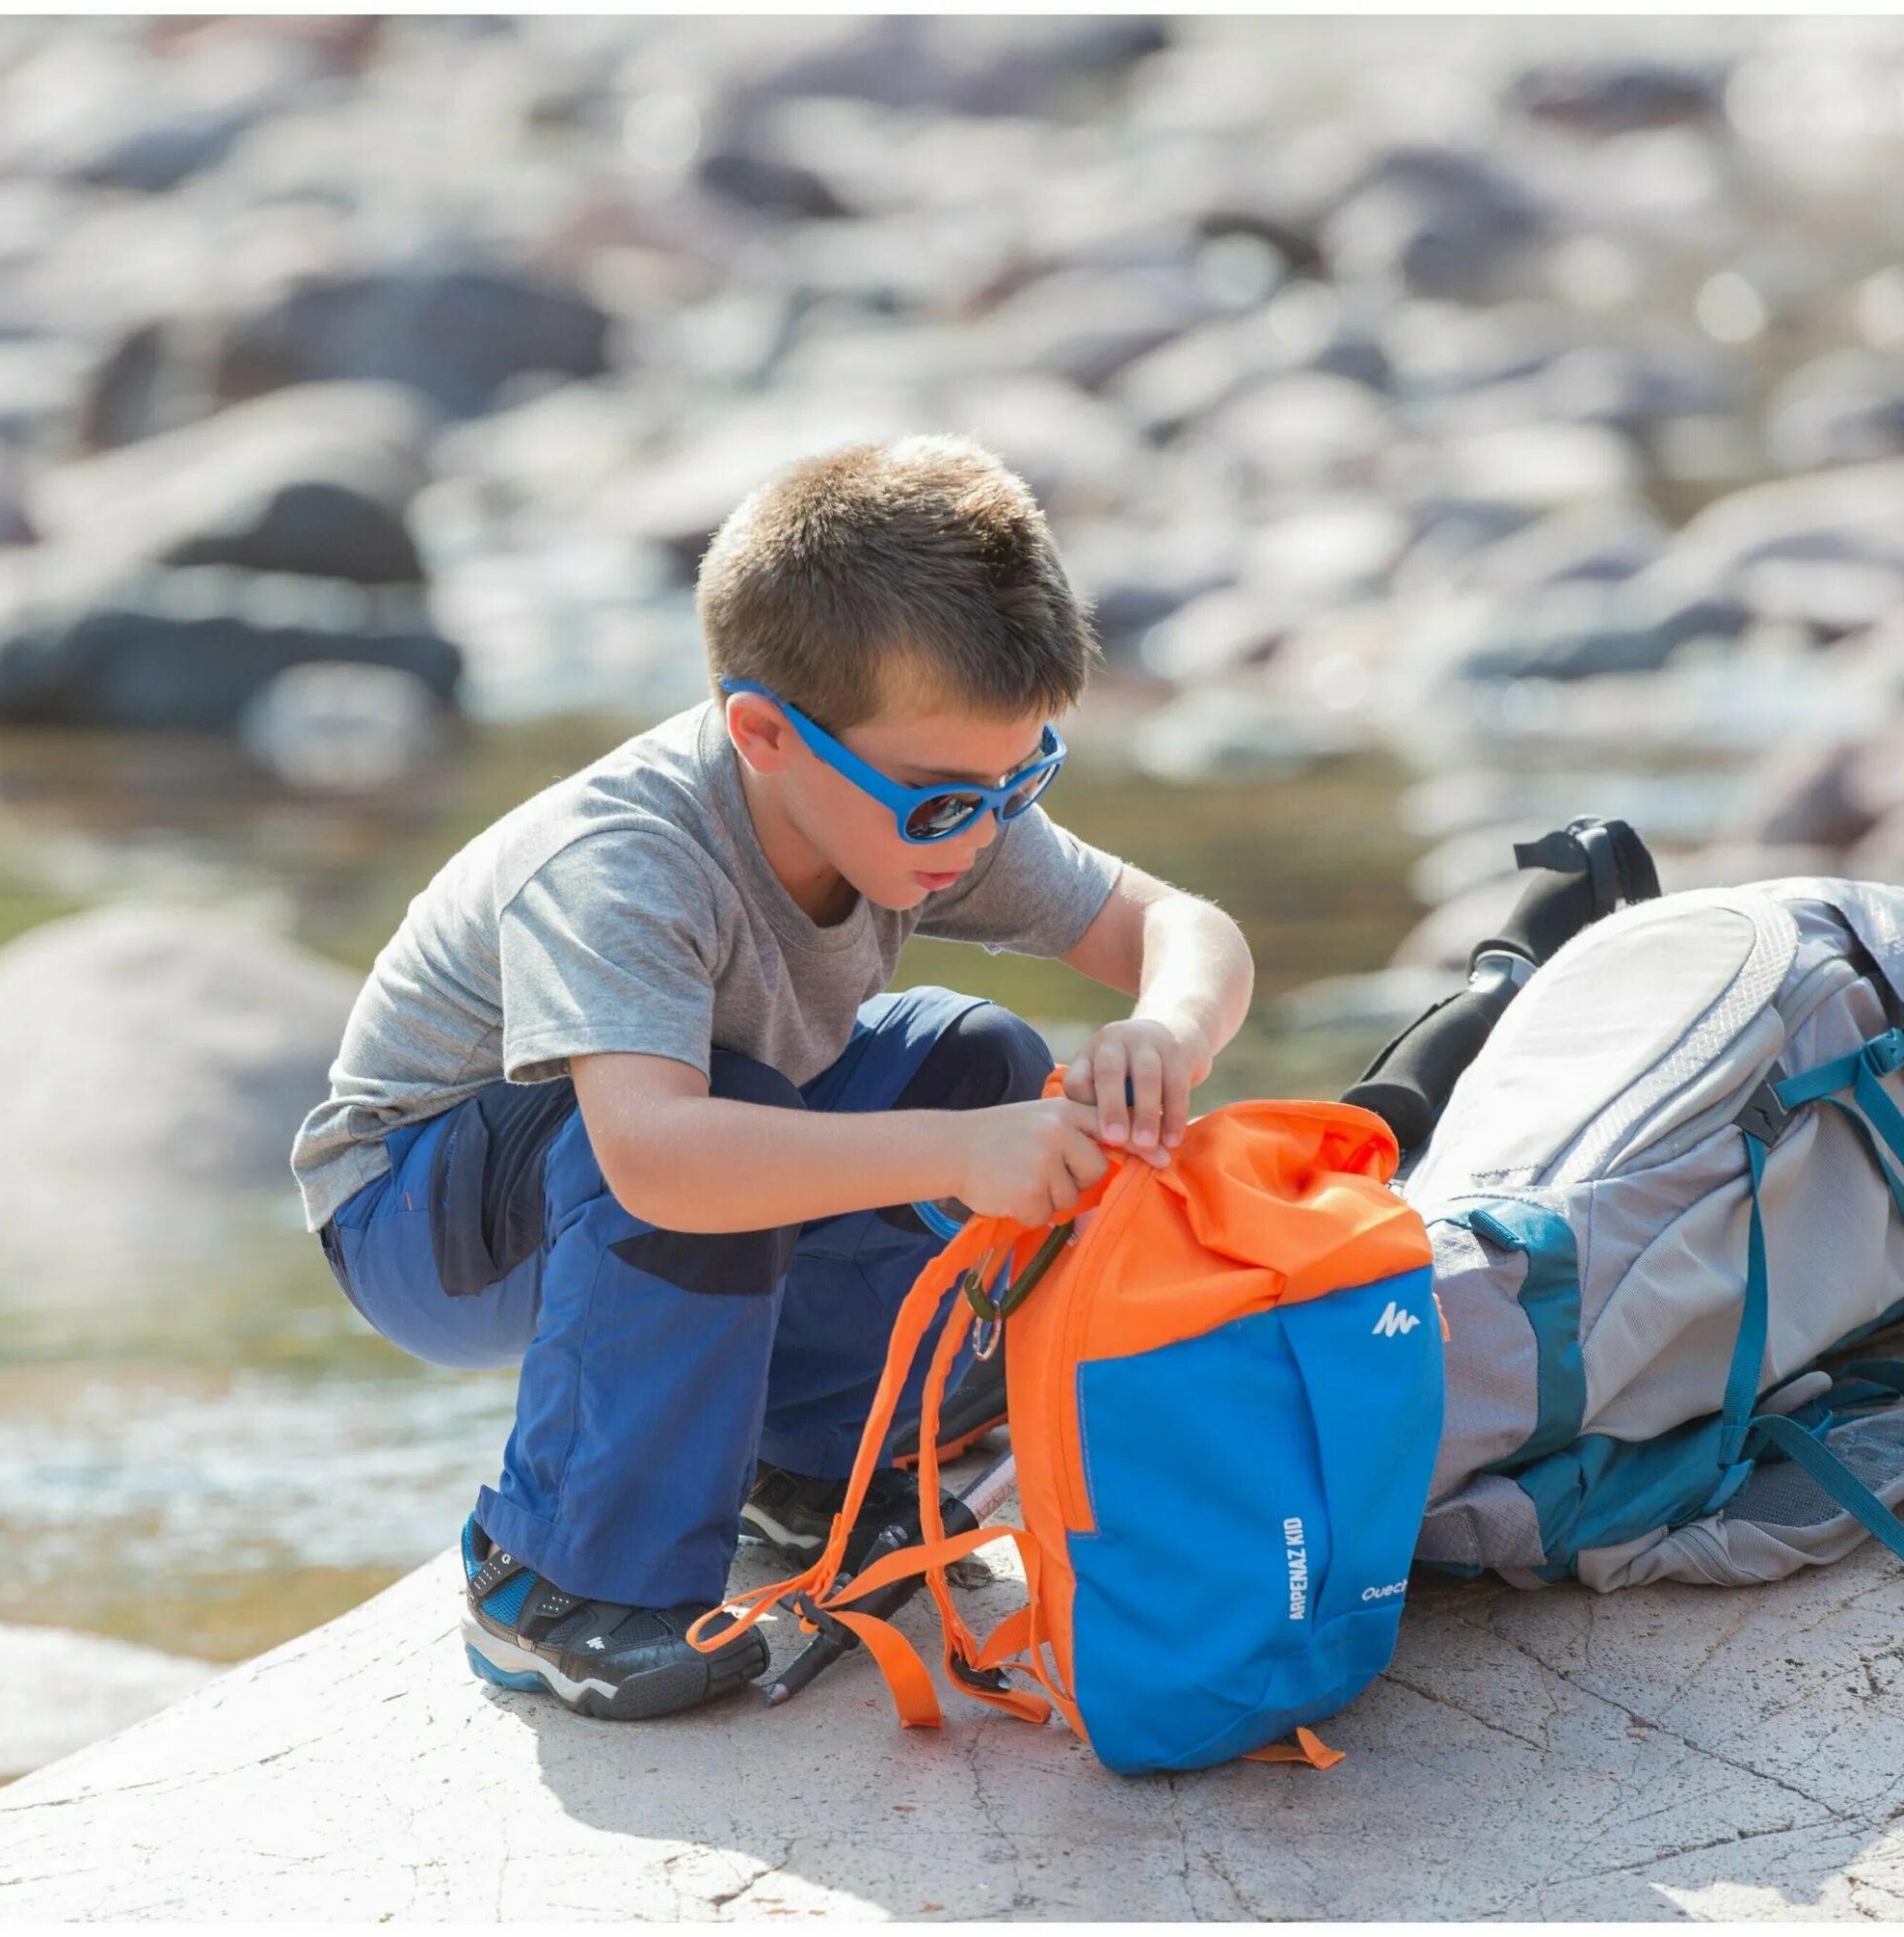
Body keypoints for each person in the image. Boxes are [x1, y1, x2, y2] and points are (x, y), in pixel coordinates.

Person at [287, 434, 1255, 1720]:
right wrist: (964, 1162)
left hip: (673, 1130)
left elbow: (1188, 927)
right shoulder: (626, 860)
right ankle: (552, 1580)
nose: (978, 831)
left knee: (974, 1059)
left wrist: (1168, 1031)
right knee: (732, 1123)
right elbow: (654, 1157)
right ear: (763, 733)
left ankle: (807, 1458)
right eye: (945, 802)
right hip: (420, 1207)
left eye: (1021, 780)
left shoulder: (928, 793)